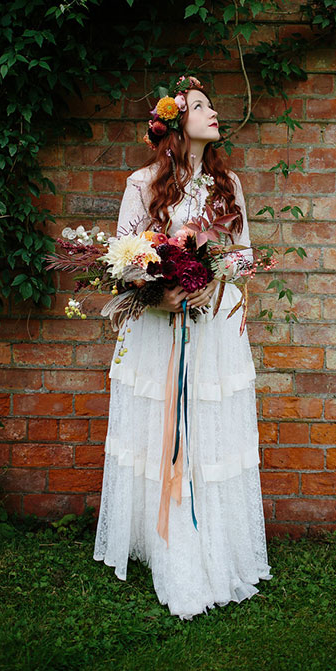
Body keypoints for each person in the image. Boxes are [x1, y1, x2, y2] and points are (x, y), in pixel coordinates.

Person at [93, 75, 271, 620]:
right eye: (199, 106)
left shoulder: (228, 185)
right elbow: (123, 262)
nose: (212, 112)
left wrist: (214, 277)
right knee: (163, 430)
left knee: (208, 432)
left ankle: (213, 540)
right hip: (158, 329)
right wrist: (158, 294)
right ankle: (166, 541)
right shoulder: (142, 184)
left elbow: (244, 256)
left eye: (211, 104)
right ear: (174, 125)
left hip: (212, 327)